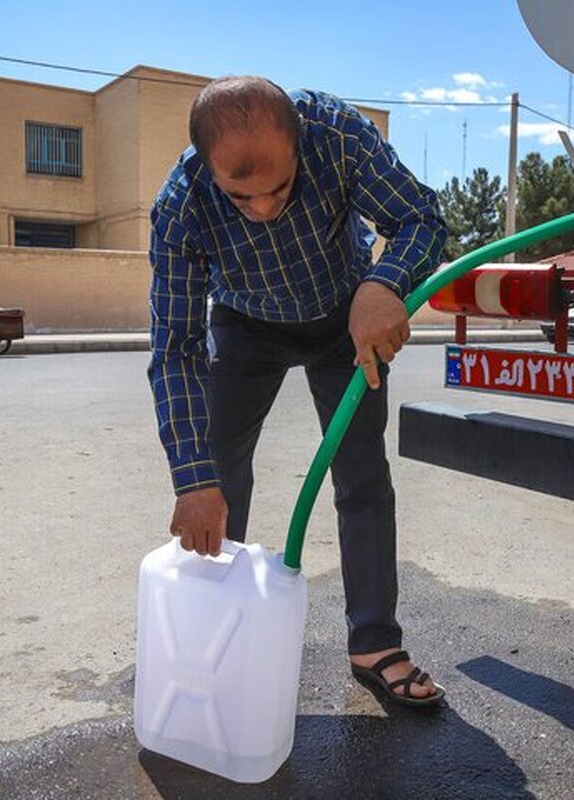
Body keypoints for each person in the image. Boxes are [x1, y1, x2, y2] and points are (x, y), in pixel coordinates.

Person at [147, 76, 446, 706]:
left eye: (279, 187)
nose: (262, 207)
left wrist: (385, 283)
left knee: (361, 475)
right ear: (207, 168)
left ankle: (374, 642)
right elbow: (175, 347)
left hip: (347, 315)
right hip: (245, 323)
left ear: (299, 142)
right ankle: (210, 642)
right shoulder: (181, 204)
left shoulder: (338, 135)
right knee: (215, 477)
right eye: (241, 195)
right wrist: (190, 478)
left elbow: (420, 217)